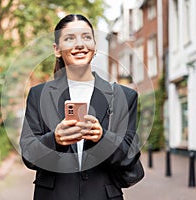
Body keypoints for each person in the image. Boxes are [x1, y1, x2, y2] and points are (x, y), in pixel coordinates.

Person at [20, 13, 143, 200]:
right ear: (57, 49)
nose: (80, 44)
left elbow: (129, 156)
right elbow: (29, 154)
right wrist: (55, 139)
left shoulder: (124, 97)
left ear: (95, 46)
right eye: (70, 38)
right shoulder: (38, 95)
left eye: (86, 37)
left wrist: (102, 138)